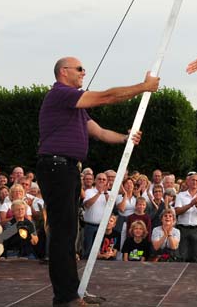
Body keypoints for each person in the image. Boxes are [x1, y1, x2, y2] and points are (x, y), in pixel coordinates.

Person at [35, 56, 157, 306]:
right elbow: (106, 97)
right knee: (62, 233)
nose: (83, 72)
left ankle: (70, 294)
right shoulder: (61, 94)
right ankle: (65, 297)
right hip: (57, 167)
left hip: (66, 169)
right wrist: (142, 87)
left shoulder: (75, 108)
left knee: (68, 234)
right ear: (63, 72)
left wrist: (125, 138)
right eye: (79, 69)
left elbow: (99, 132)